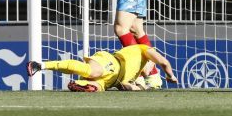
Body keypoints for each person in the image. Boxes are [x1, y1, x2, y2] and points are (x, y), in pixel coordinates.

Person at [26, 44, 177, 92]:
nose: (152, 67)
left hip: (111, 81)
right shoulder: (144, 49)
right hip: (110, 63)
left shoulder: (137, 72)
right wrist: (170, 76)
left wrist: (138, 87)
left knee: (95, 88)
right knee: (92, 71)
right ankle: (41, 65)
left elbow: (126, 85)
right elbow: (164, 63)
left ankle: (80, 85)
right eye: (152, 64)